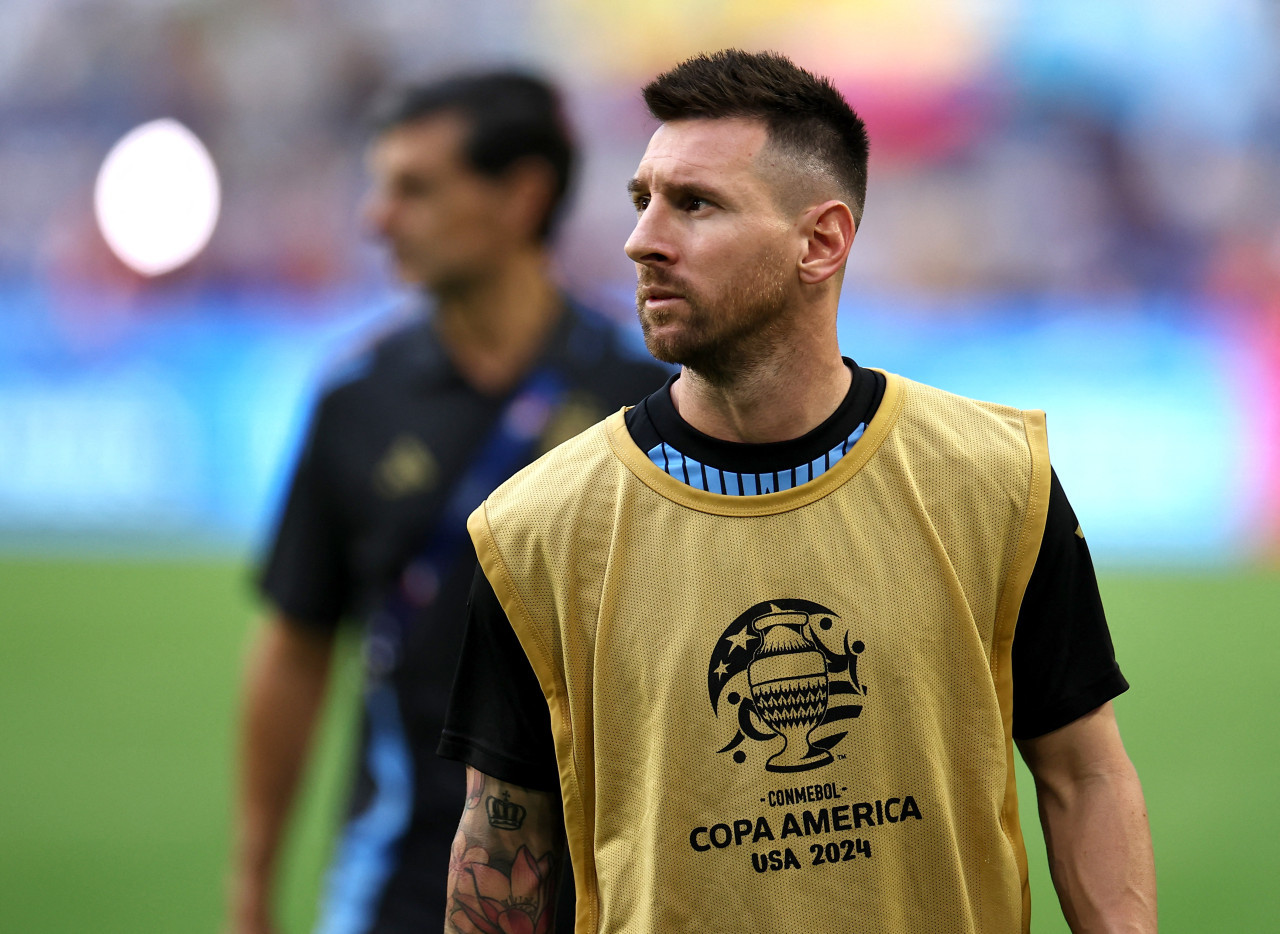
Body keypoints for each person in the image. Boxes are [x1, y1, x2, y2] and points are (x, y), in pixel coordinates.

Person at [438, 50, 1157, 934]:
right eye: (643, 200)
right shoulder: (537, 530)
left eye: (694, 204)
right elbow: (502, 842)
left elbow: (1083, 774)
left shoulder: (994, 478)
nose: (642, 238)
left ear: (822, 242)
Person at [226, 72, 667, 934]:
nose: (375, 219)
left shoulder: (648, 398)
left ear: (522, 195)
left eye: (414, 188)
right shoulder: (357, 400)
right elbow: (294, 644)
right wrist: (251, 886)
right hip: (400, 881)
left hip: (615, 891)